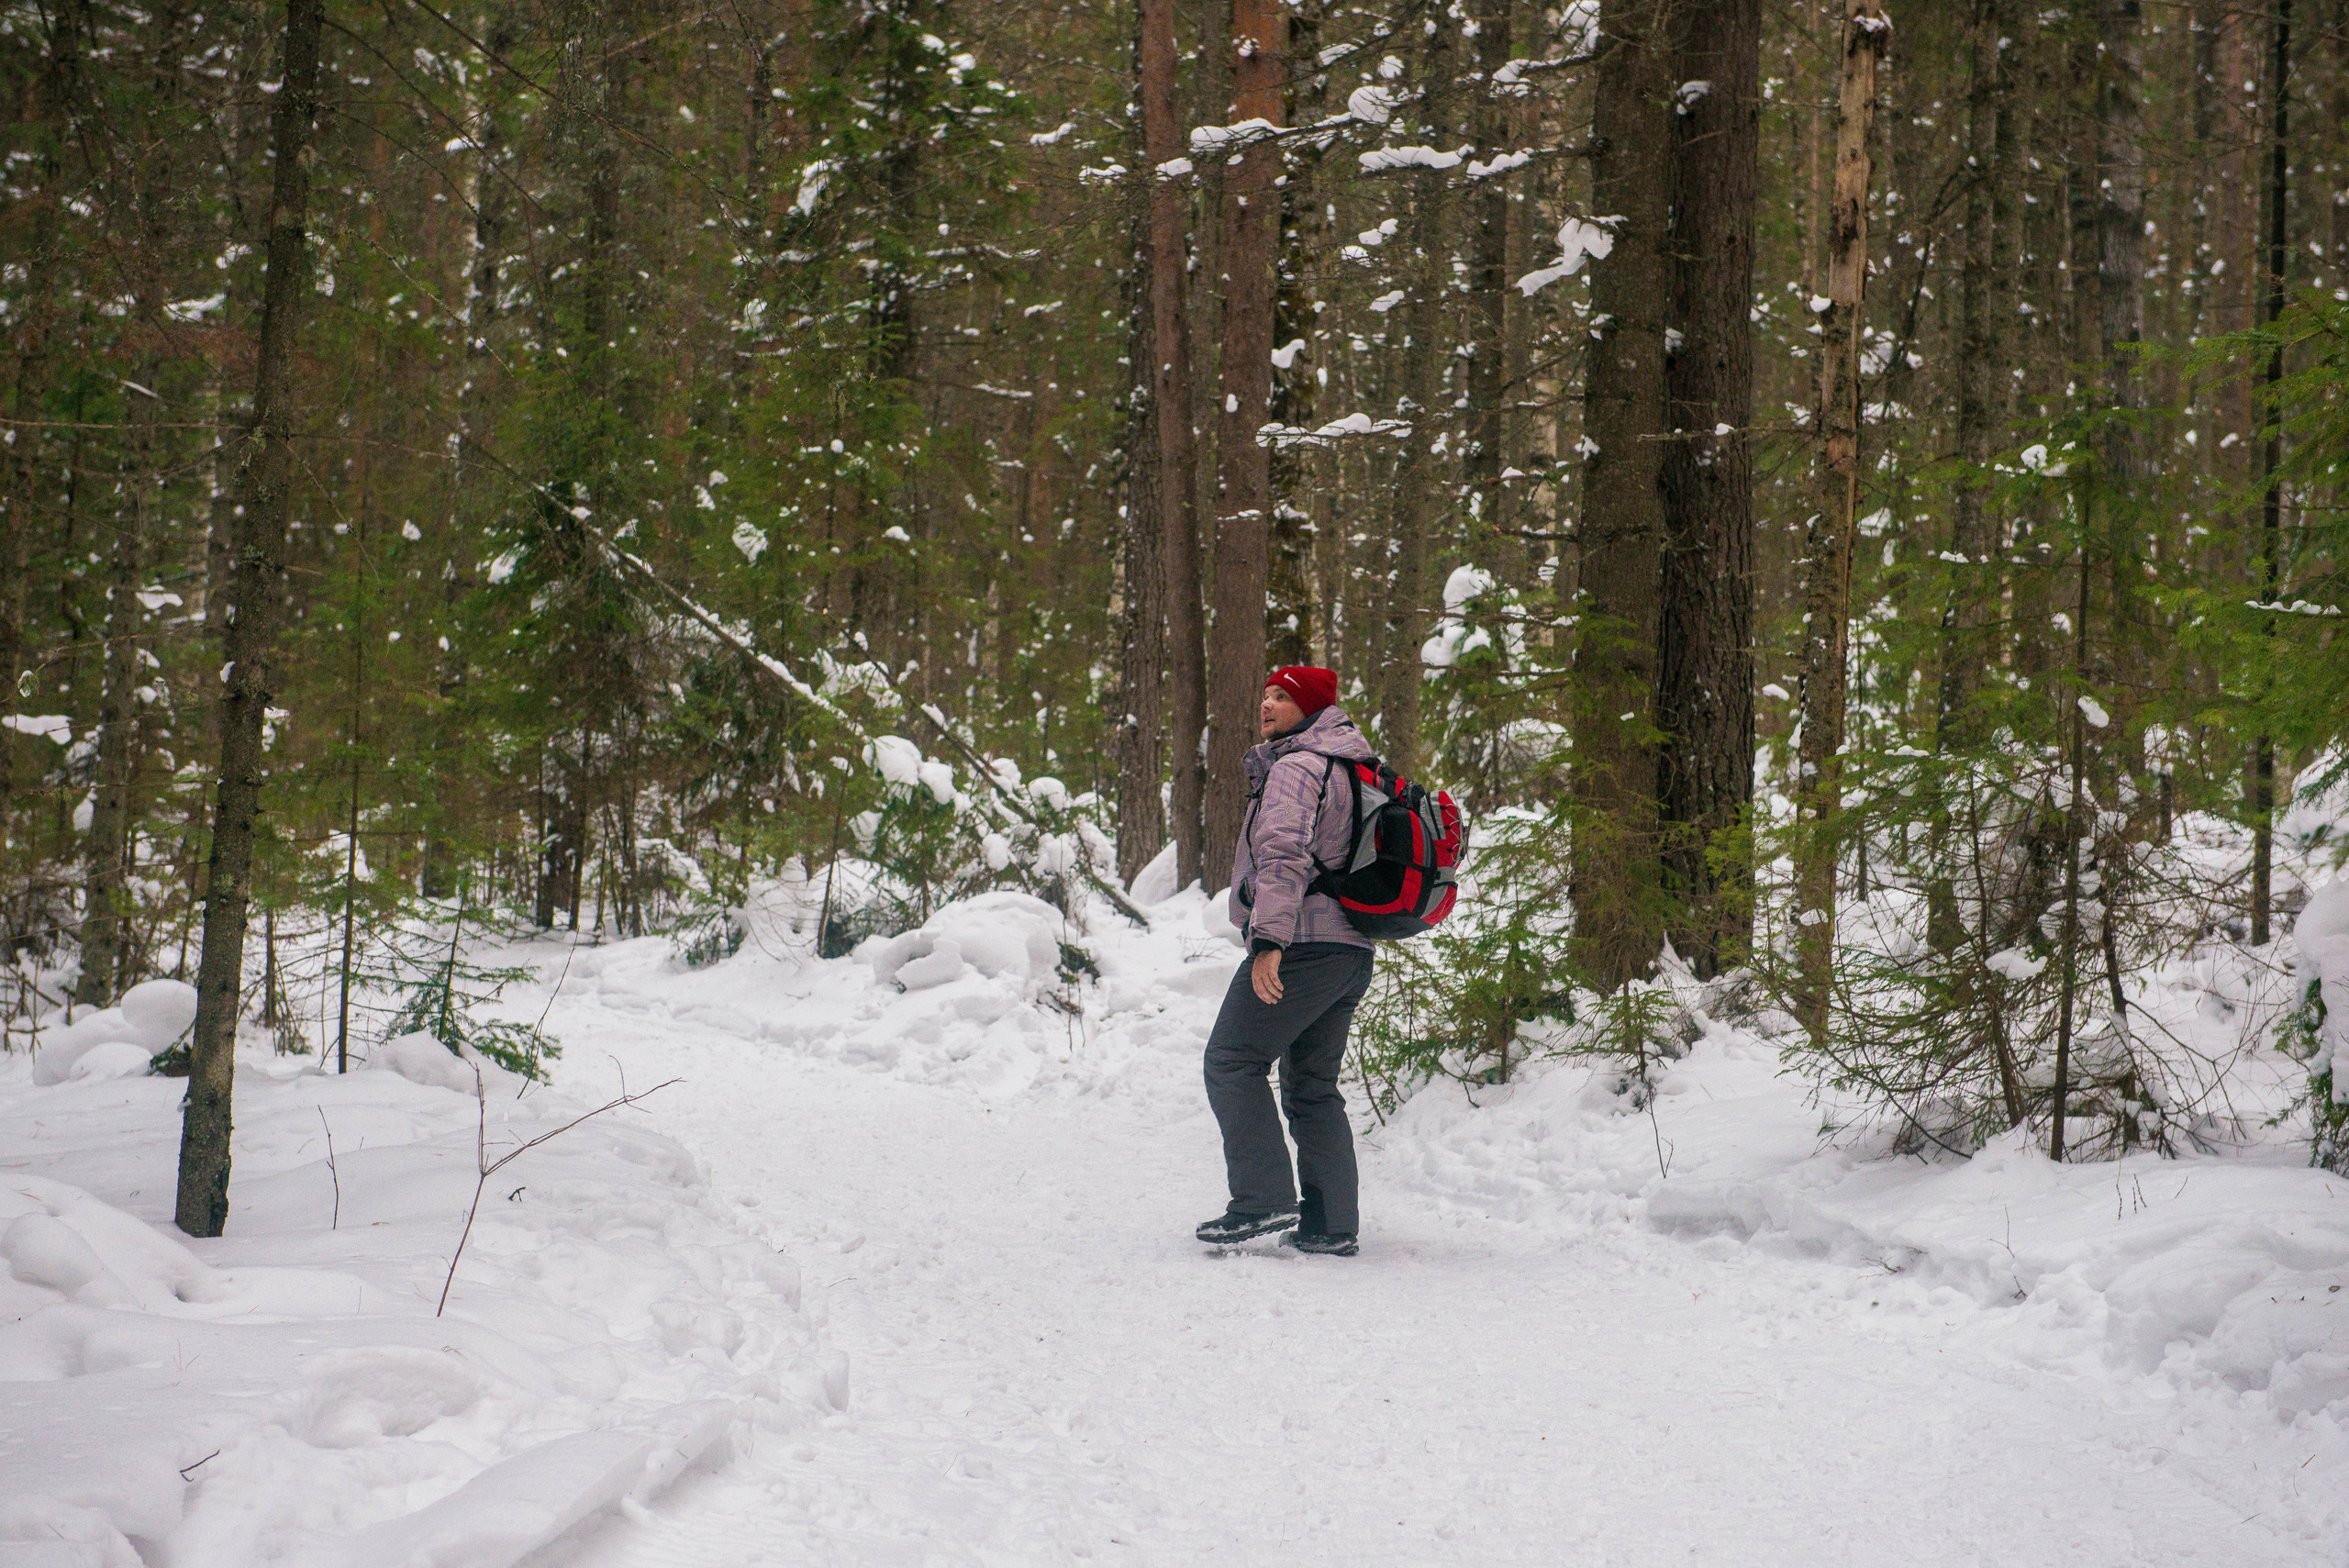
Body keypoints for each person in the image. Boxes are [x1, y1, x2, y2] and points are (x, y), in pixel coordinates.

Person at [1196, 665, 1374, 1256]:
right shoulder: (1351, 767)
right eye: (1265, 693)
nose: (1267, 705)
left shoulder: (1298, 768)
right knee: (1312, 1086)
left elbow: (1284, 855)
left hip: (1302, 941)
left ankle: (1261, 1198)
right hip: (1350, 948)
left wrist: (1268, 941)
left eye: (1282, 696)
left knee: (1230, 1060)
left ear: (1312, 708)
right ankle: (1330, 1223)